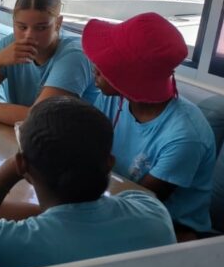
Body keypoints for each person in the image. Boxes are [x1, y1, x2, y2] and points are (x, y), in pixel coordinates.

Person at [0, 97, 176, 267]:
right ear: (109, 164)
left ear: (22, 165)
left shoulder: (3, 242)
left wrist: (10, 170)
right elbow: (79, 218)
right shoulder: (153, 212)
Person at [81, 13, 216, 240]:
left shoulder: (185, 136)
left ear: (130, 78)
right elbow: (86, 149)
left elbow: (141, 203)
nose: (95, 69)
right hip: (113, 199)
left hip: (170, 226)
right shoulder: (112, 98)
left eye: (106, 66)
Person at [0, 0, 94, 125]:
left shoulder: (75, 55)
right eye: (22, 27)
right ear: (13, 23)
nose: (29, 35)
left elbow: (40, 118)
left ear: (58, 24)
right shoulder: (10, 45)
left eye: (41, 28)